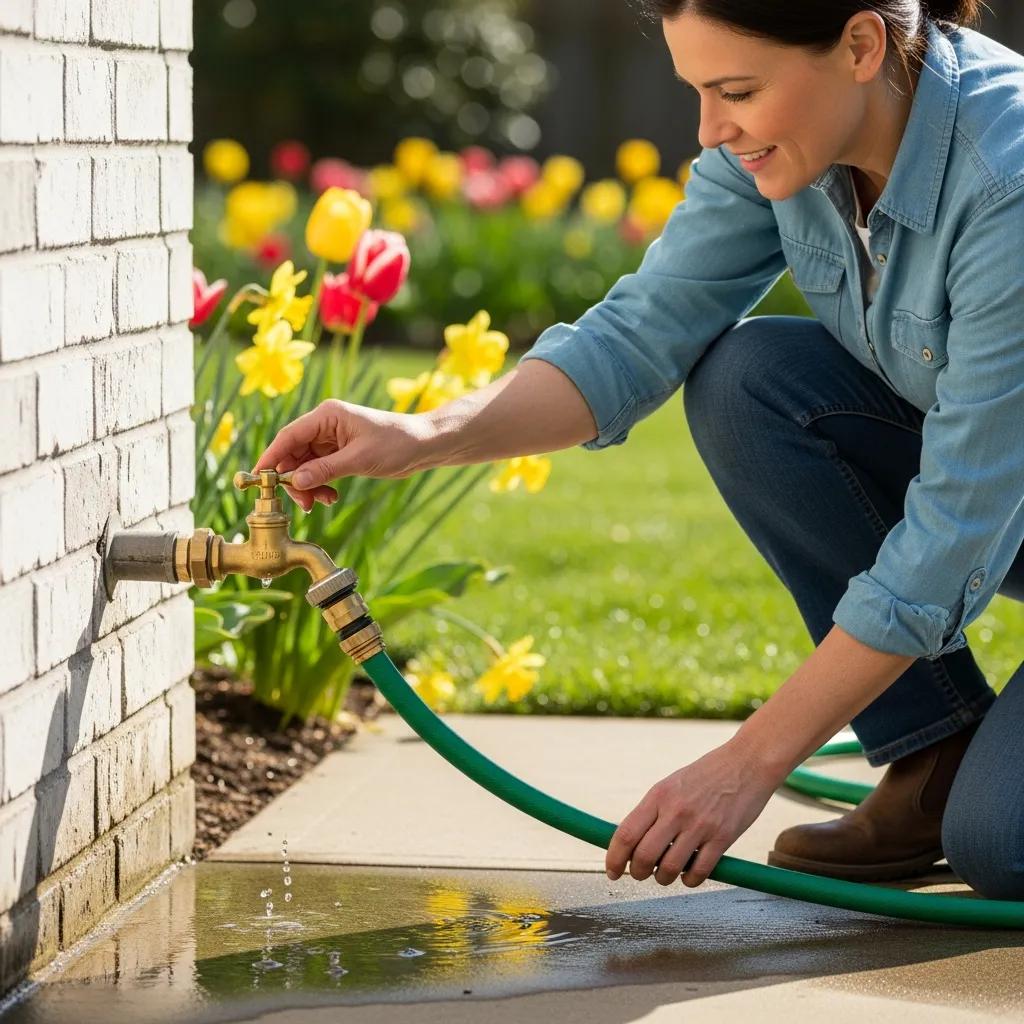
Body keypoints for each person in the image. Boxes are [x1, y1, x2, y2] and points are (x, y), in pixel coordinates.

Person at [254, 0, 1024, 900]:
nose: (710, 128)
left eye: (737, 91)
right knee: (749, 380)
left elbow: (951, 537)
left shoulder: (1006, 184)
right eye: (699, 90)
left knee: (1000, 848)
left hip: (990, 508)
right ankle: (936, 752)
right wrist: (421, 434)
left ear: (860, 44)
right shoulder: (788, 145)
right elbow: (637, 335)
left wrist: (747, 762)